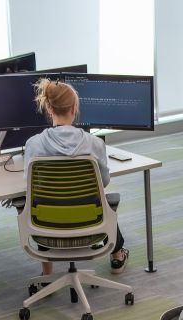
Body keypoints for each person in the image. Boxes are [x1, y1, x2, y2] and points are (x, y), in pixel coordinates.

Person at [22, 78, 127, 274]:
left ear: (49, 109)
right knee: (103, 200)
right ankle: (117, 256)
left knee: (42, 201)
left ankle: (47, 271)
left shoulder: (34, 144)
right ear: (74, 108)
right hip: (91, 225)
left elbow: (29, 186)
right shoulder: (94, 143)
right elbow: (103, 182)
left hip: (46, 229)